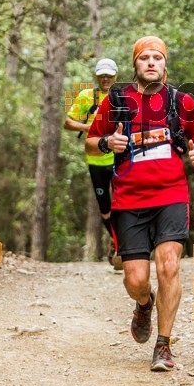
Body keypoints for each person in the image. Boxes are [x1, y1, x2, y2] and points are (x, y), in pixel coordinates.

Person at [85, 36, 194, 371]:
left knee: (169, 265)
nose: (151, 62)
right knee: (136, 279)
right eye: (145, 58)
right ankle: (144, 304)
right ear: (135, 65)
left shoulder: (181, 101)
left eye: (157, 57)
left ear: (165, 64)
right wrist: (108, 141)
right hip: (128, 199)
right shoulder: (116, 100)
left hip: (171, 194)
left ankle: (164, 346)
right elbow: (90, 143)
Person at [64, 57, 122, 268]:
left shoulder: (124, 96)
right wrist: (89, 128)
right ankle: (116, 242)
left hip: (120, 158)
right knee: (105, 208)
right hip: (96, 158)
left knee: (123, 203)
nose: (106, 78)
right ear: (97, 77)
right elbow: (68, 122)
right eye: (102, 75)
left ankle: (120, 245)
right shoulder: (86, 96)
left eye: (109, 74)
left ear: (116, 75)